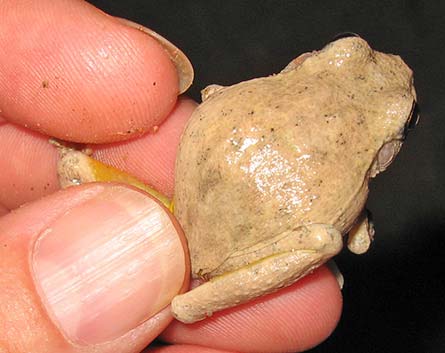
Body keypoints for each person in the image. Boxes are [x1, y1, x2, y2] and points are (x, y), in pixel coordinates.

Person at [0, 1, 342, 352]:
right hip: (199, 215)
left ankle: (197, 293)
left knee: (322, 241)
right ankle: (196, 294)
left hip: (197, 219)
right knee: (324, 241)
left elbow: (214, 95)